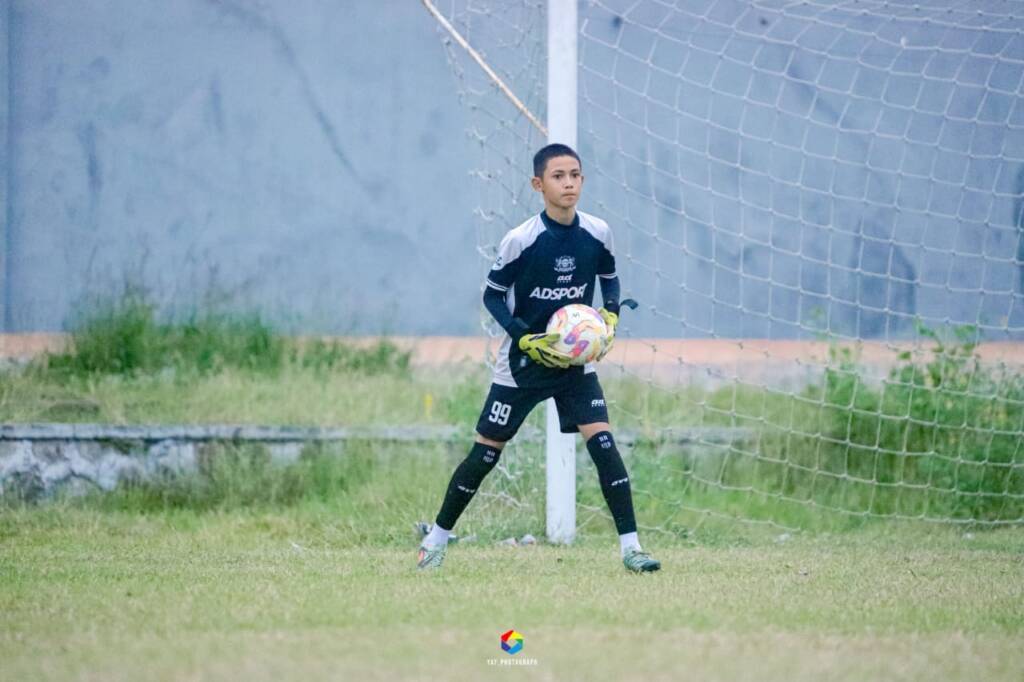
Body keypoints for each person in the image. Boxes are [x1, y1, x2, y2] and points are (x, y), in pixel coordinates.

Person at [417, 143, 660, 574]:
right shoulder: (521, 240)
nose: (569, 184)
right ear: (538, 184)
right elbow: (492, 296)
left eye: (575, 175)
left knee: (603, 444)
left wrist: (610, 315)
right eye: (558, 176)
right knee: (486, 453)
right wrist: (523, 338)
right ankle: (435, 541)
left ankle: (632, 549)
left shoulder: (598, 232)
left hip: (574, 365)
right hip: (523, 366)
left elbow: (610, 278)